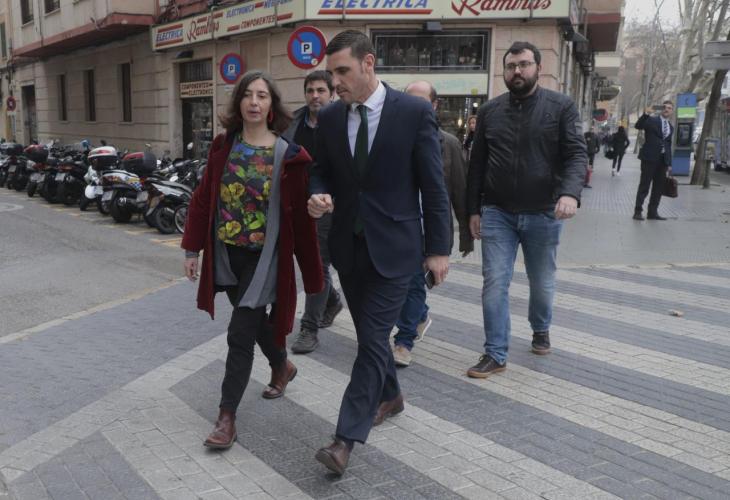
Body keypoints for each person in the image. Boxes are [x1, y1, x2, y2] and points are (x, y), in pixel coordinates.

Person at [307, 30, 451, 475]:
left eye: (343, 71)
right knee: (370, 338)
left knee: (371, 340)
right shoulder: (332, 117)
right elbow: (320, 171)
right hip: (349, 248)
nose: (335, 83)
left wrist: (439, 249)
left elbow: (433, 185)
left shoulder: (412, 112)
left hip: (397, 249)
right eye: (331, 73)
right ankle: (391, 395)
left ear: (369, 63)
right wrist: (317, 194)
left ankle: (344, 439)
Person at [182, 70, 323, 450]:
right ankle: (282, 365)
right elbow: (203, 198)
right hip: (227, 255)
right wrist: (192, 249)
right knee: (255, 319)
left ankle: (226, 418)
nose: (254, 102)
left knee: (239, 333)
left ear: (272, 104)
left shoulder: (288, 155)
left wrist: (313, 274)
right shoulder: (223, 146)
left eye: (262, 95)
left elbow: (300, 219)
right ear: (239, 102)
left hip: (265, 259)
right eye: (248, 94)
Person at [466, 41, 586, 378]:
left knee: (542, 282)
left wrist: (570, 193)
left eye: (523, 64)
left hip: (544, 212)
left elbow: (576, 154)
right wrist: (473, 210)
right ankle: (495, 353)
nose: (517, 71)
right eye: (510, 66)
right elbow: (477, 165)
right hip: (497, 212)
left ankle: (540, 327)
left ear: (538, 68)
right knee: (494, 282)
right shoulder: (489, 111)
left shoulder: (561, 107)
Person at [391, 80, 473, 368]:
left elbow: (459, 190)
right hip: (399, 225)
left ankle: (404, 342)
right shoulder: (392, 138)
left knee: (413, 282)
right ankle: (421, 315)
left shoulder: (448, 143)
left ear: (434, 106)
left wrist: (465, 236)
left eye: (421, 101)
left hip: (429, 228)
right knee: (400, 283)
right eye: (408, 101)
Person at [284, 71, 344, 354]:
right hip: (295, 204)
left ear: (332, 93)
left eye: (321, 90)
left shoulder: (343, 121)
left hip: (328, 205)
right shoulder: (292, 122)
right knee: (308, 260)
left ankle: (309, 328)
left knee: (317, 263)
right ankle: (332, 301)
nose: (315, 96)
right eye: (310, 90)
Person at [633, 102, 673, 220]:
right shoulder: (651, 120)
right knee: (644, 186)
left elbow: (668, 145)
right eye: (664, 107)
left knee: (658, 188)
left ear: (672, 111)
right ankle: (638, 211)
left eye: (669, 108)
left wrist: (669, 163)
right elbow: (638, 126)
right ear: (661, 109)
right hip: (649, 159)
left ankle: (652, 212)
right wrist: (646, 114)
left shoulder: (670, 127)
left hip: (663, 161)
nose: (667, 109)